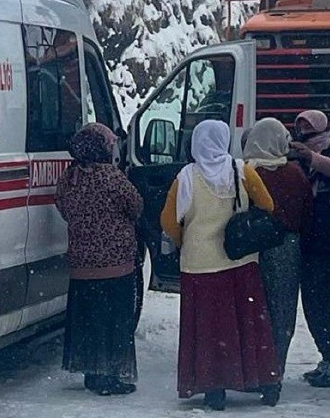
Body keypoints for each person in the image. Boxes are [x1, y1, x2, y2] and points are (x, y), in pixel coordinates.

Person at [161, 120, 281, 410]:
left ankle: (213, 386)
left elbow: (167, 221)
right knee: (249, 323)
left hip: (200, 264)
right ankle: (265, 381)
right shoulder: (242, 171)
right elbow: (268, 205)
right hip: (239, 260)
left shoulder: (185, 177)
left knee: (208, 328)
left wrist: (185, 240)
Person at [55, 123, 144, 396]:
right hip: (115, 264)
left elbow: (62, 206)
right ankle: (111, 375)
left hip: (82, 265)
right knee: (114, 322)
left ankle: (92, 373)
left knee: (89, 320)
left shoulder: (68, 179)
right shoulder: (112, 177)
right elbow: (136, 206)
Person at [243, 117, 313, 401]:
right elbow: (307, 210)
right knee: (281, 311)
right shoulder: (294, 173)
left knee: (252, 308)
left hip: (251, 248)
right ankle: (275, 372)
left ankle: (252, 369)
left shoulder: (245, 172)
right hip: (286, 247)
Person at [290, 109, 330, 388]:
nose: (305, 133)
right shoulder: (298, 161)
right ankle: (328, 356)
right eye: (300, 128)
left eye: (309, 128)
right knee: (314, 306)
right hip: (309, 243)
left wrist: (311, 157)